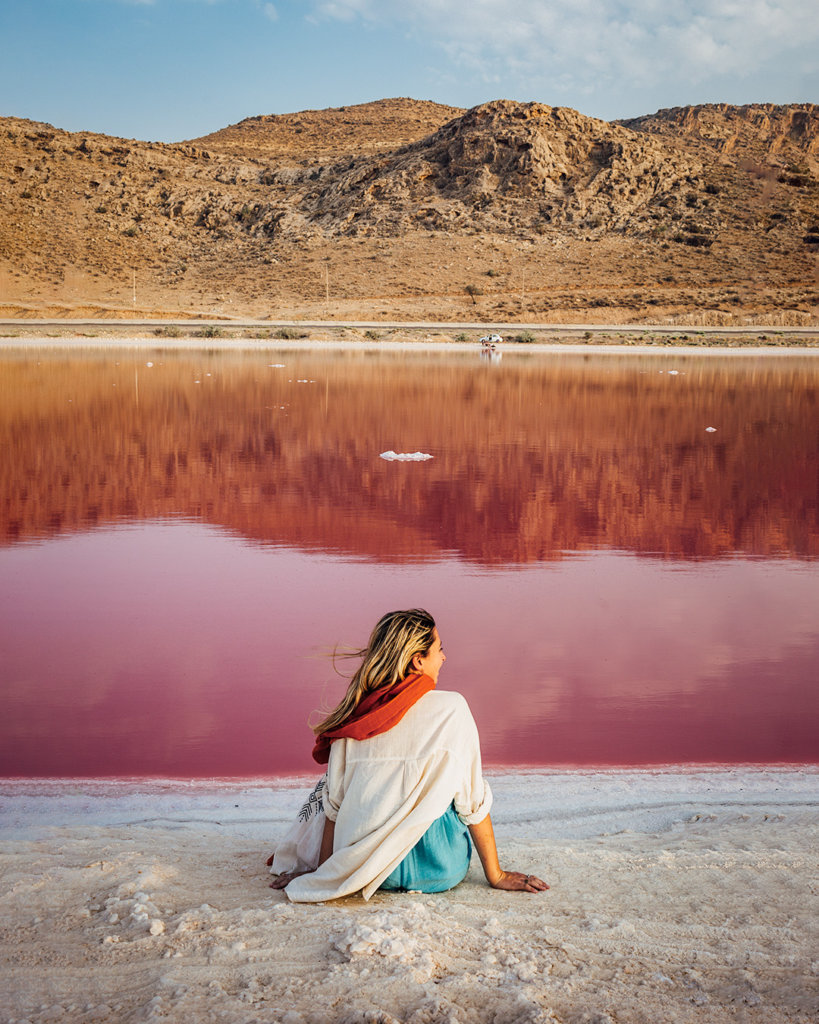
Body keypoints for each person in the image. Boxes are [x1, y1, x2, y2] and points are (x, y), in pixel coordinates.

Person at [267, 608, 549, 902]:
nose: (443, 657)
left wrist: (324, 874)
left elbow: (334, 808)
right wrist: (497, 875)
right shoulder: (452, 709)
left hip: (369, 871)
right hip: (440, 868)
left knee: (331, 786)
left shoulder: (356, 717)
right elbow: (472, 802)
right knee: (446, 785)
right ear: (418, 660)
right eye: (439, 649)